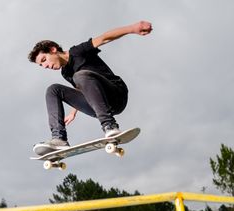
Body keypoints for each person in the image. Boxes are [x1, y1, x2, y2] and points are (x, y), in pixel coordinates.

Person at [28, 21, 152, 154]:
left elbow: (104, 38)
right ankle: (59, 139)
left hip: (116, 95)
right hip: (97, 105)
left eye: (44, 60)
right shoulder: (65, 72)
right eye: (41, 66)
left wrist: (132, 28)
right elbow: (82, 89)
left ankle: (109, 126)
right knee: (53, 89)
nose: (45, 66)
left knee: (80, 75)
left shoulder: (78, 51)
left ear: (53, 50)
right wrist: (73, 112)